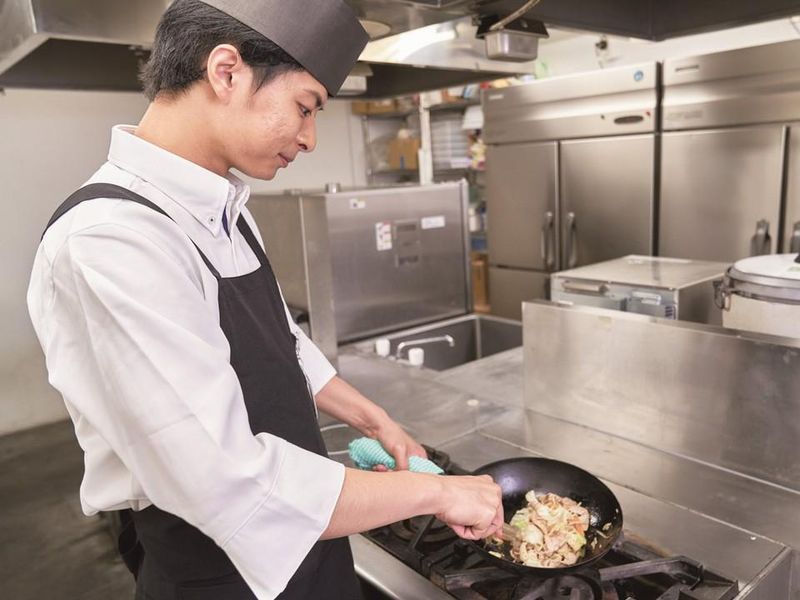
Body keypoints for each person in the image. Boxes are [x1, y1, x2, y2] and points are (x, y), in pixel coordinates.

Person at [26, 1, 504, 599]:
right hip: (218, 573)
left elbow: (279, 340)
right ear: (226, 71)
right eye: (305, 107)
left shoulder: (226, 207)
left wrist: (374, 420)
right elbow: (227, 482)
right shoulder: (111, 240)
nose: (309, 138)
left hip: (311, 539)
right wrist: (437, 491)